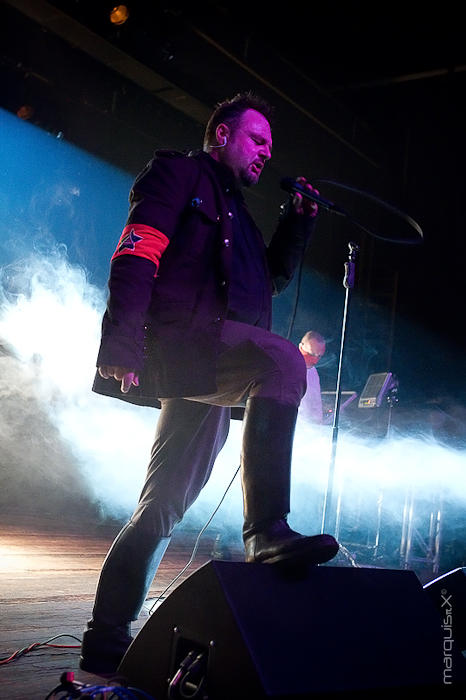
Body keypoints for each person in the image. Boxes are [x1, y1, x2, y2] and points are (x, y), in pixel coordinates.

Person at [80, 92, 339, 674]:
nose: (265, 154)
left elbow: (266, 280)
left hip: (210, 365)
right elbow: (138, 248)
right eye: (257, 140)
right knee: (283, 362)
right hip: (183, 346)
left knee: (161, 506)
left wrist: (297, 223)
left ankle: (105, 638)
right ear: (221, 135)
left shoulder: (241, 216)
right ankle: (265, 528)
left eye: (271, 148)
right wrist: (120, 342)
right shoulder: (178, 172)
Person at [298, 330, 326, 423]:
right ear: (300, 347)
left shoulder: (313, 372)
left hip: (307, 429)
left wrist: (319, 424)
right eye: (311, 354)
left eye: (319, 356)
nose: (314, 360)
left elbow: (316, 404)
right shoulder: (287, 365)